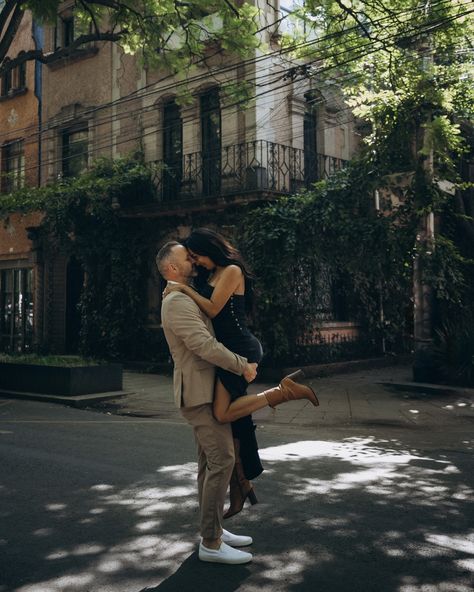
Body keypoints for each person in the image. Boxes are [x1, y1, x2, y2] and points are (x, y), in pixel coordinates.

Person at [163, 228, 319, 520]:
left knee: (222, 414)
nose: (195, 262)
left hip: (240, 350)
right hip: (228, 351)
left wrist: (181, 288)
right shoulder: (208, 275)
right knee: (235, 423)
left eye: (196, 256)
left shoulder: (232, 271)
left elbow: (211, 308)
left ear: (210, 249)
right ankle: (241, 486)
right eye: (191, 259)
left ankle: (284, 391)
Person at [157, 241, 257, 564]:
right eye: (186, 257)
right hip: (198, 394)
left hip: (205, 390)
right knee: (223, 460)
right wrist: (241, 364)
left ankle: (211, 530)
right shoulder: (174, 302)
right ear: (172, 268)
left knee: (208, 464)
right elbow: (204, 344)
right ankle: (211, 543)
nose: (192, 259)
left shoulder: (184, 294)